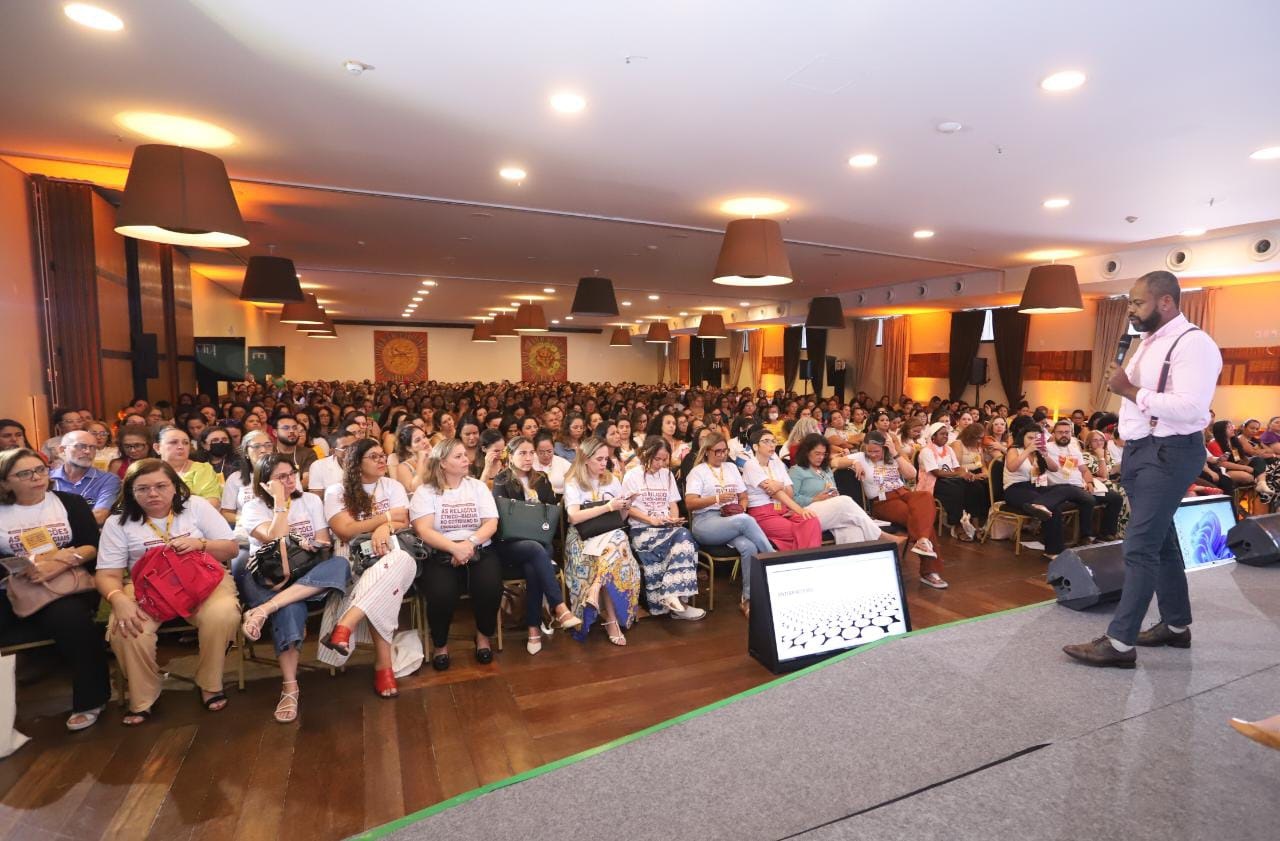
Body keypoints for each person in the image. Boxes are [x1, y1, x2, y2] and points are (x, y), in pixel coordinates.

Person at [1064, 271, 1223, 667]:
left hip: (1169, 451)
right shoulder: (1147, 343)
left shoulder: (1194, 344)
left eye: (1137, 303)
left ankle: (1119, 644)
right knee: (1161, 539)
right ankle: (1175, 625)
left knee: (1139, 545)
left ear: (1166, 302)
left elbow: (1191, 410)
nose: (1130, 310)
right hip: (1141, 450)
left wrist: (1130, 390)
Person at [96, 459, 241, 725]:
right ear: (130, 491)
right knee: (126, 627)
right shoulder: (118, 523)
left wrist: (201, 543)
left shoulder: (195, 506)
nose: (153, 494)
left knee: (222, 614)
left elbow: (231, 549)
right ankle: (143, 696)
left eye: (161, 486)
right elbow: (107, 575)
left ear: (175, 486)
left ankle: (210, 682)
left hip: (202, 580)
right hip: (146, 588)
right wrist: (117, 599)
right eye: (143, 488)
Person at [0, 448, 110, 731]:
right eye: (25, 473)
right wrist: (20, 567)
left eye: (40, 470)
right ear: (4, 482)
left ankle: (90, 699)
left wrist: (60, 562)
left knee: (72, 620)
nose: (36, 477)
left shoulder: (69, 503)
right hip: (12, 585)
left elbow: (93, 545)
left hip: (66, 583)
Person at [237, 454, 349, 723]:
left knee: (341, 565)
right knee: (292, 608)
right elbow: (275, 539)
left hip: (306, 573)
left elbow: (323, 542)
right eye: (281, 477)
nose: (289, 480)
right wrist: (278, 502)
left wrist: (309, 545)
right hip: (267, 576)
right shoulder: (253, 507)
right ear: (264, 482)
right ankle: (290, 686)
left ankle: (263, 610)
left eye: (292, 473)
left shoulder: (310, 500)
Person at [321, 438, 415, 698]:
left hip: (391, 547)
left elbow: (404, 521)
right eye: (374, 456)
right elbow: (345, 530)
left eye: (383, 455)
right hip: (352, 555)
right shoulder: (336, 492)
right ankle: (384, 666)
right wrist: (385, 519)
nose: (382, 460)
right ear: (356, 463)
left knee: (398, 560)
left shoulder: (392, 485)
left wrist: (384, 529)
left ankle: (345, 625)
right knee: (393, 573)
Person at [409, 438, 503, 669]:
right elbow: (423, 529)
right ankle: (440, 644)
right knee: (441, 594)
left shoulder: (477, 487)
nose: (466, 460)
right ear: (442, 463)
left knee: (490, 588)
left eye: (465, 455)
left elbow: (491, 523)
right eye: (458, 456)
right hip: (440, 552)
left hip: (478, 548)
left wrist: (468, 544)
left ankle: (483, 637)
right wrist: (454, 548)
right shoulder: (426, 491)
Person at [491, 436, 581, 654]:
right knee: (536, 552)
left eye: (531, 452)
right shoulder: (502, 481)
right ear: (510, 456)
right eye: (522, 453)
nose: (528, 457)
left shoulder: (541, 479)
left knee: (535, 560)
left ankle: (534, 628)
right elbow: (500, 519)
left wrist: (538, 506)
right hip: (509, 543)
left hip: (539, 541)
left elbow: (551, 512)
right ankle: (559, 608)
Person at [684, 433, 775, 618]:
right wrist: (716, 499)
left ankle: (747, 599)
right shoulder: (698, 471)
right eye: (717, 451)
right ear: (707, 451)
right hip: (705, 522)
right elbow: (690, 503)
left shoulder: (731, 468)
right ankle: (773, 558)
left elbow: (743, 496)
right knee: (745, 520)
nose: (722, 455)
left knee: (749, 546)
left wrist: (740, 508)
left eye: (725, 451)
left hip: (730, 519)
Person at [562, 438, 643, 645]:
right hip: (583, 537)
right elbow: (573, 517)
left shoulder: (612, 480)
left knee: (618, 538)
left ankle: (597, 589)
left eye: (606, 458)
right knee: (618, 543)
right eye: (599, 459)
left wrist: (626, 505)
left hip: (608, 534)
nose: (603, 463)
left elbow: (621, 519)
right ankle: (611, 620)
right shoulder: (573, 481)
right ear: (586, 459)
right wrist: (608, 507)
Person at [622, 437, 706, 620]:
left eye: (664, 460)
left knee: (683, 534)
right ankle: (678, 604)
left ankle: (673, 597)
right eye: (657, 459)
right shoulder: (632, 476)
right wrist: (650, 520)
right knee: (685, 538)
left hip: (666, 528)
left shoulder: (667, 475)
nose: (660, 464)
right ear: (646, 453)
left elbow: (673, 503)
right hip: (642, 529)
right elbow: (628, 508)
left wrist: (673, 520)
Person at [851, 432, 948, 589]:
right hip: (883, 502)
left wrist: (895, 453)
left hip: (903, 492)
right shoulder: (861, 457)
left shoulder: (892, 457)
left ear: (884, 448)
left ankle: (922, 541)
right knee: (920, 519)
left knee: (924, 497)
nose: (873, 455)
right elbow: (834, 461)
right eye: (870, 451)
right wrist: (854, 463)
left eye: (877, 451)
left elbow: (912, 474)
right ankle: (929, 571)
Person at [788, 434, 895, 546]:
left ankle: (853, 561)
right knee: (845, 501)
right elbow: (791, 499)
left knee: (854, 530)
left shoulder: (826, 469)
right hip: (806, 512)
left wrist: (833, 494)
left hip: (830, 510)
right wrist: (814, 499)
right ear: (806, 452)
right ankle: (880, 535)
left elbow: (833, 488)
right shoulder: (796, 471)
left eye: (824, 454)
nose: (821, 457)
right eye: (817, 454)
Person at [1002, 422, 1079, 559]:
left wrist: (1044, 454)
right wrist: (1028, 451)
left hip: (1036, 487)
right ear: (1023, 438)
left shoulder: (1039, 452)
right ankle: (1053, 551)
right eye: (1030, 438)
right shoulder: (1014, 450)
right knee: (1053, 508)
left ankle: (1037, 505)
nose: (1033, 441)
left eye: (1036, 438)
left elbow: (1054, 468)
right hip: (1015, 488)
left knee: (1066, 489)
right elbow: (1012, 467)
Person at [740, 427, 823, 552]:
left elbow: (789, 492)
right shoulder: (750, 465)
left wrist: (779, 485)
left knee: (812, 520)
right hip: (763, 514)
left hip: (783, 510)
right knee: (801, 531)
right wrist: (799, 510)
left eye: (773, 441)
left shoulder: (777, 462)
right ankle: (808, 563)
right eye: (766, 441)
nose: (771, 445)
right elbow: (775, 492)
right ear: (756, 447)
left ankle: (802, 562)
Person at [1043, 419, 1123, 542]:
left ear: (1071, 434)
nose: (1064, 435)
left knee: (1115, 498)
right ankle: (1086, 536)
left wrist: (1089, 482)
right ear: (1053, 434)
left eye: (1067, 432)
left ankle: (1106, 533)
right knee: (1088, 500)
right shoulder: (1047, 448)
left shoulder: (1074, 450)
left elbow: (1085, 471)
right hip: (1060, 488)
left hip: (1080, 486)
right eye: (1060, 432)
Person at [918, 422, 988, 541]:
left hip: (950, 479)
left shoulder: (949, 449)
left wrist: (967, 474)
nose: (945, 436)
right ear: (933, 436)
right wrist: (959, 474)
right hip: (934, 482)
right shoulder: (926, 451)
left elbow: (957, 467)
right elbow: (937, 473)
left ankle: (975, 523)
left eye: (946, 434)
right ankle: (957, 525)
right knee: (955, 490)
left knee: (975, 486)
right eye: (942, 434)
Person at [50, 430, 121, 525]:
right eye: (80, 446)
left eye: (92, 447)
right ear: (62, 450)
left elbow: (100, 516)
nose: (88, 451)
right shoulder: (47, 478)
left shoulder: (107, 479)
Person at [221, 430, 275, 526]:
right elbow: (226, 513)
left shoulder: (286, 473)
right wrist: (248, 520)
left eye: (268, 445)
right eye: (256, 446)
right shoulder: (235, 478)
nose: (263, 450)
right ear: (246, 452)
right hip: (246, 532)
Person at [157, 426, 221, 506]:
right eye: (173, 442)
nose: (181, 447)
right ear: (157, 448)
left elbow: (212, 502)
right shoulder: (149, 471)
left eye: (186, 443)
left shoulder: (202, 469)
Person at [533, 431, 571, 495]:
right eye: (541, 452)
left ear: (554, 448)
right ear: (535, 451)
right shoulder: (530, 462)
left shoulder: (563, 463)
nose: (546, 455)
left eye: (549, 451)